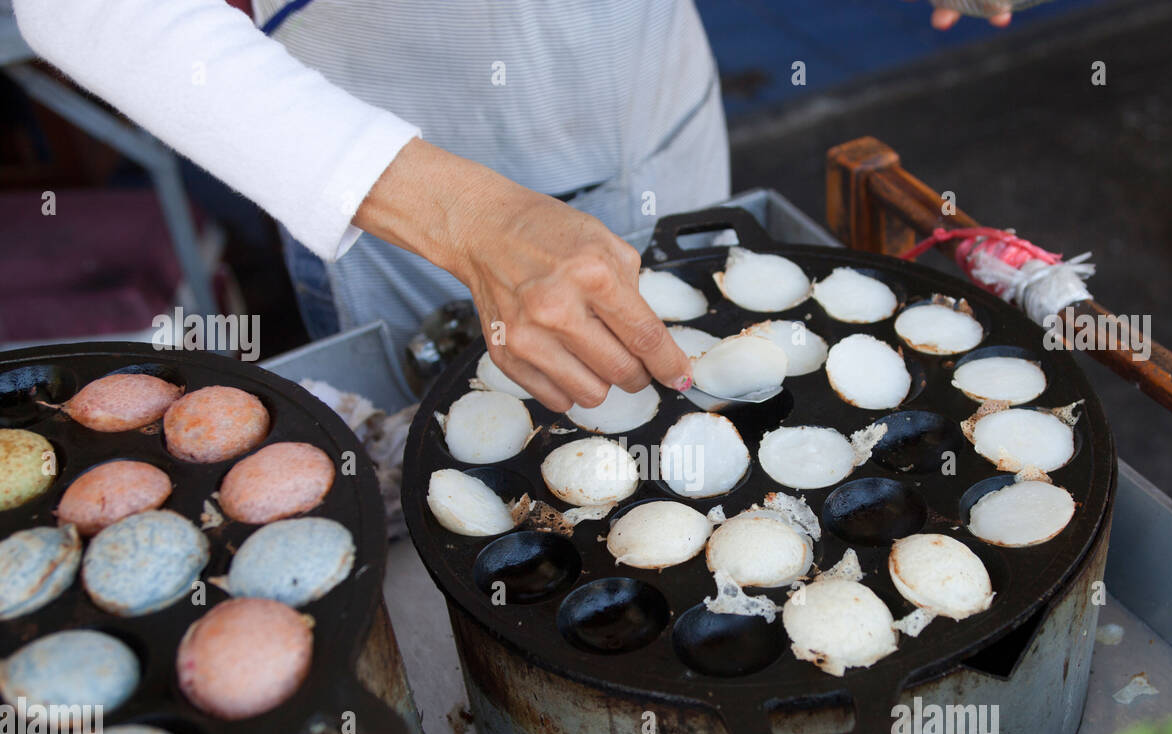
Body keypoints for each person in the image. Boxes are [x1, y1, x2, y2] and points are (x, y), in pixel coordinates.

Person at [14, 0, 1008, 412]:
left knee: (711, 391)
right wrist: (470, 220)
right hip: (397, 176)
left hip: (647, 89)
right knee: (475, 450)